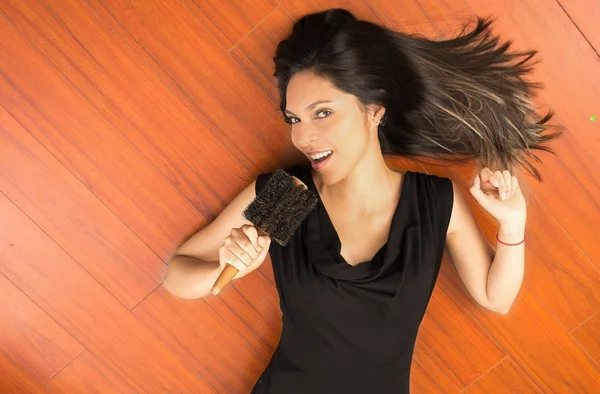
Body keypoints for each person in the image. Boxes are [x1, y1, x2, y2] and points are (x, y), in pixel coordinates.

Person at [163, 9, 561, 393]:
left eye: (322, 113)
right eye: (294, 119)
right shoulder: (289, 196)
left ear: (374, 111)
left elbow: (496, 298)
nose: (302, 138)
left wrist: (512, 225)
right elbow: (177, 274)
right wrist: (224, 270)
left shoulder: (433, 202)